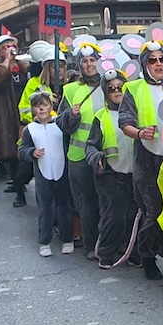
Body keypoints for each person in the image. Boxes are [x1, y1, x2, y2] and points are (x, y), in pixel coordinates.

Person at [117, 23, 163, 282]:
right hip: (147, 159)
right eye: (152, 60)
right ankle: (148, 259)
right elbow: (124, 121)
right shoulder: (133, 88)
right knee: (153, 210)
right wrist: (139, 132)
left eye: (162, 59)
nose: (158, 64)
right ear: (145, 63)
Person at [84, 65, 141, 269]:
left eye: (120, 87)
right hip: (110, 174)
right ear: (106, 93)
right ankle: (106, 252)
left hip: (135, 173)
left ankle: (133, 252)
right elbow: (90, 145)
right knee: (114, 216)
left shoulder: (137, 113)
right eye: (111, 88)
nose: (117, 91)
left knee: (134, 216)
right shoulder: (101, 116)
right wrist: (95, 157)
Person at [57, 36, 105, 260]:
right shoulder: (70, 90)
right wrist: (71, 115)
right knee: (86, 204)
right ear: (79, 65)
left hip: (106, 154)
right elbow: (61, 123)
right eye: (84, 61)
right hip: (79, 157)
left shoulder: (111, 85)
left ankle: (110, 243)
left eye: (92, 60)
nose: (89, 64)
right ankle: (91, 245)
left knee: (108, 203)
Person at [19, 91, 74, 257]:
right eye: (37, 106)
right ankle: (44, 242)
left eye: (44, 105)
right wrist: (32, 152)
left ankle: (67, 239)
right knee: (45, 208)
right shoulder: (29, 129)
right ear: (32, 109)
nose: (41, 108)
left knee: (64, 207)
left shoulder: (60, 124)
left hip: (62, 172)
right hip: (42, 175)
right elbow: (22, 149)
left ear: (51, 106)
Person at [0, 34, 24, 196]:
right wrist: (7, 61)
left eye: (12, 45)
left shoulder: (22, 67)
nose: (11, 49)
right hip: (6, 114)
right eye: (6, 47)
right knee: (10, 151)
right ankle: (18, 187)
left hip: (23, 111)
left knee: (24, 150)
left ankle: (20, 181)